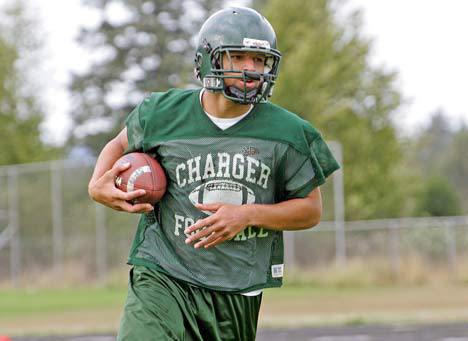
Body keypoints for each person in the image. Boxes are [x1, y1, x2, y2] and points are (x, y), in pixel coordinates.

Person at [88, 6, 340, 341]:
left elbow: (310, 210)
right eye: (238, 57)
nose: (251, 69)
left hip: (235, 286)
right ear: (210, 60)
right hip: (163, 271)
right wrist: (97, 184)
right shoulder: (163, 113)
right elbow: (117, 145)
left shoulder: (288, 132)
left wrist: (247, 214)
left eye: (259, 60)